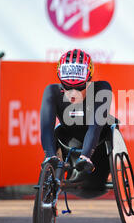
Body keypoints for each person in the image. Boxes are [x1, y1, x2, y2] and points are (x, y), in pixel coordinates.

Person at [40, 49, 115, 199]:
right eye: (67, 88)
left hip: (99, 142)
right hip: (70, 140)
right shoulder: (52, 91)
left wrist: (86, 156)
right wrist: (50, 156)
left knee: (110, 127)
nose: (73, 93)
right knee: (56, 131)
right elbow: (46, 127)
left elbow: (95, 127)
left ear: (88, 80)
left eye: (80, 88)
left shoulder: (102, 88)